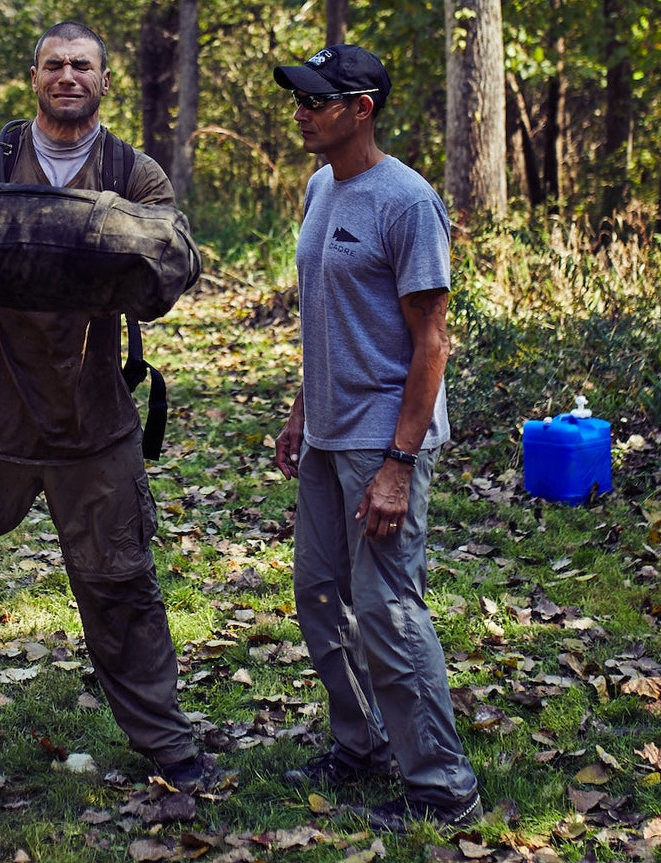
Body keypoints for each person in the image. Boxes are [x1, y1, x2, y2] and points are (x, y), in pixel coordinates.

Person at [0, 21, 205, 791]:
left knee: (120, 581)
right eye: (54, 64)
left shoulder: (131, 170)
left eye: (82, 65)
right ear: (34, 76)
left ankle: (167, 742)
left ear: (103, 81)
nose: (67, 76)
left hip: (91, 418)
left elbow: (173, 263)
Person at [270, 44, 482, 832]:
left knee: (388, 609)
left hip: (381, 441)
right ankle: (359, 745)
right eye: (300, 98)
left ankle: (443, 785)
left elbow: (432, 341)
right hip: (327, 436)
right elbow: (327, 317)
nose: (302, 111)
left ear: (361, 108)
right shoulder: (321, 186)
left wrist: (398, 463)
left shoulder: (406, 201)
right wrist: (300, 412)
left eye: (317, 100)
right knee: (321, 599)